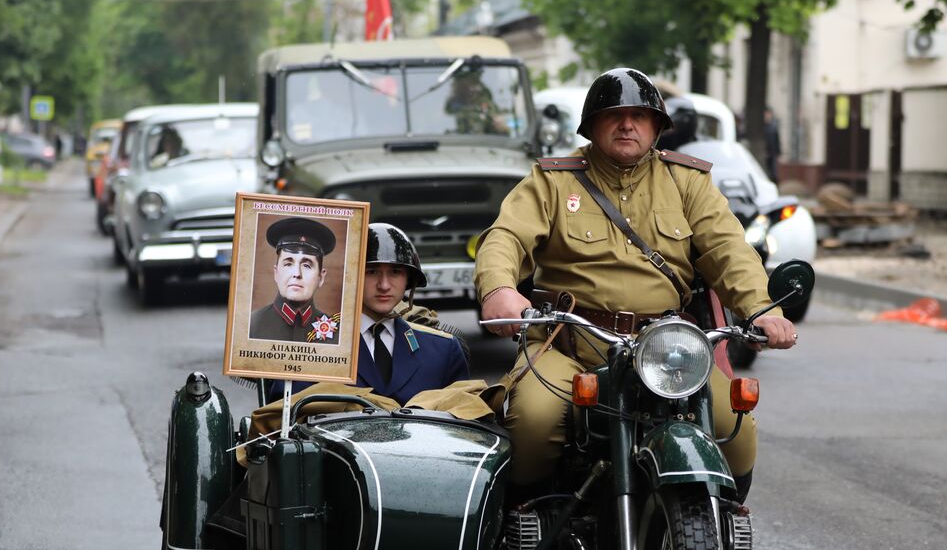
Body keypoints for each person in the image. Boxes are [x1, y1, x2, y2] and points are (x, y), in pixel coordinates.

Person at [475, 67, 797, 502]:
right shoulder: (554, 180)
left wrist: (763, 309)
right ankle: (522, 530)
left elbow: (729, 250)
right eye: (615, 114)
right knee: (534, 418)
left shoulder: (687, 182)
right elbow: (505, 236)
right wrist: (498, 289)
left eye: (640, 116)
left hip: (666, 349)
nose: (628, 124)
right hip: (569, 344)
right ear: (592, 125)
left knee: (733, 428)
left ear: (657, 127)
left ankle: (722, 531)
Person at [265, 223, 468, 404]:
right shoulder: (307, 349)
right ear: (352, 276)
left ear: (409, 280)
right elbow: (284, 424)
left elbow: (464, 423)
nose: (384, 285)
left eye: (395, 272)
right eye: (371, 272)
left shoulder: (443, 350)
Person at [249, 217, 341, 343]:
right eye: (288, 264)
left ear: (321, 277)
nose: (297, 274)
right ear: (276, 273)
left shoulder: (337, 333)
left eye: (307, 265)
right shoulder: (250, 326)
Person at [762, 107, 781, 182]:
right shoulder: (763, 127)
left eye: (769, 114)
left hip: (772, 154)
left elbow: (776, 141)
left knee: (773, 172)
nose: (767, 116)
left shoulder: (773, 127)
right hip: (765, 153)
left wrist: (778, 153)